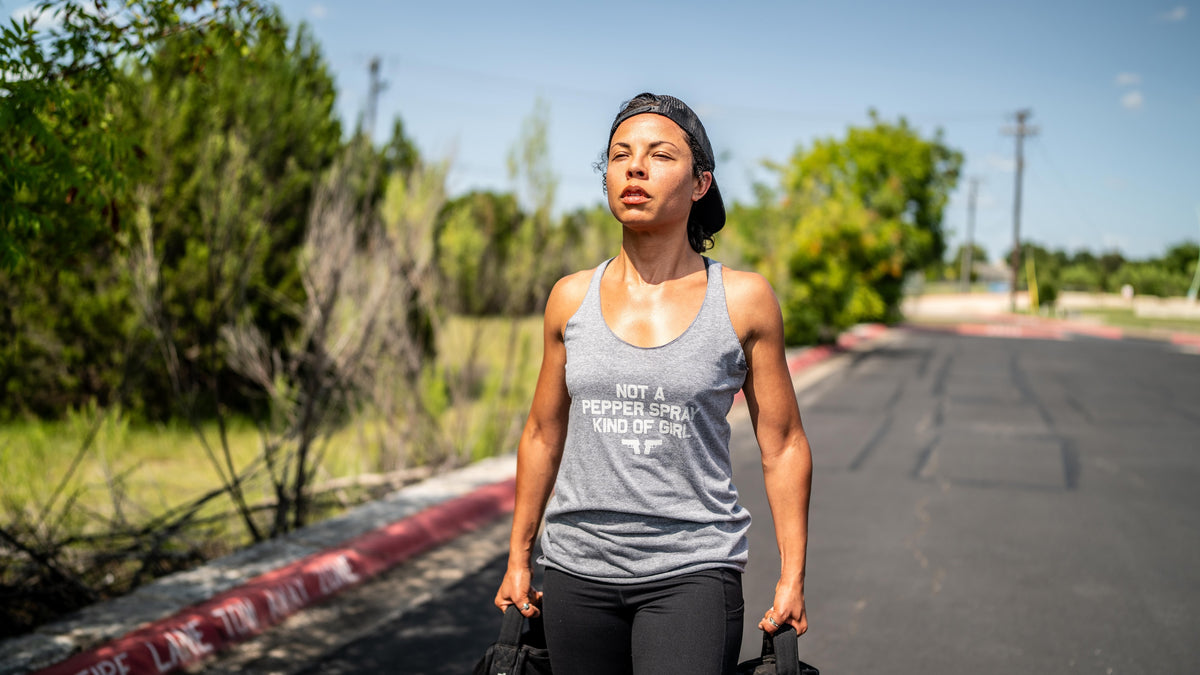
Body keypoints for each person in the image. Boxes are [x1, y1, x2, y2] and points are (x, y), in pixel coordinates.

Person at [494, 92, 813, 675]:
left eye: (659, 155)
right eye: (620, 155)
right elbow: (543, 433)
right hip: (575, 571)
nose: (635, 167)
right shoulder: (570, 298)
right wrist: (519, 557)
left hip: (692, 572)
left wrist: (792, 576)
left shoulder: (742, 300)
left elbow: (784, 443)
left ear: (700, 184)